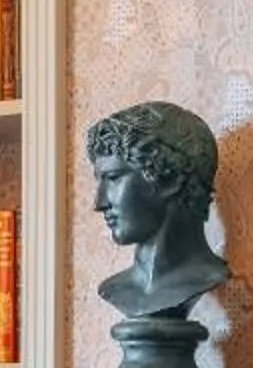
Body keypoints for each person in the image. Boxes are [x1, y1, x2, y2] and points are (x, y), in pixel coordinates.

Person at [86, 101, 231, 320]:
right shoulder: (115, 288)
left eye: (114, 178)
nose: (99, 203)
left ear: (170, 178)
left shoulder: (210, 276)